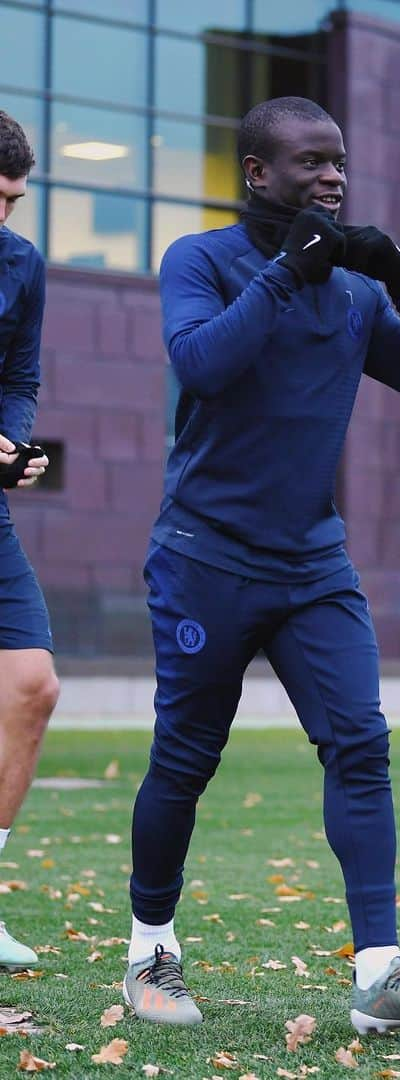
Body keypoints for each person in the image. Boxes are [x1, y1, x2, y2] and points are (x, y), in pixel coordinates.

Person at [123, 97, 400, 1034]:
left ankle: (378, 979)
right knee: (186, 758)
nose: (332, 177)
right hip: (205, 554)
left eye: (339, 162)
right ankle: (148, 952)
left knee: (360, 744)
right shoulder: (200, 260)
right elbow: (202, 365)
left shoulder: (358, 294)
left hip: (312, 564)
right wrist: (287, 271)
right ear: (258, 174)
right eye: (311, 163)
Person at [0, 111, 61, 972]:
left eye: (13, 199)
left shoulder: (21, 263)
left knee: (32, 685)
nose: (5, 217)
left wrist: (11, 446)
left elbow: (19, 375)